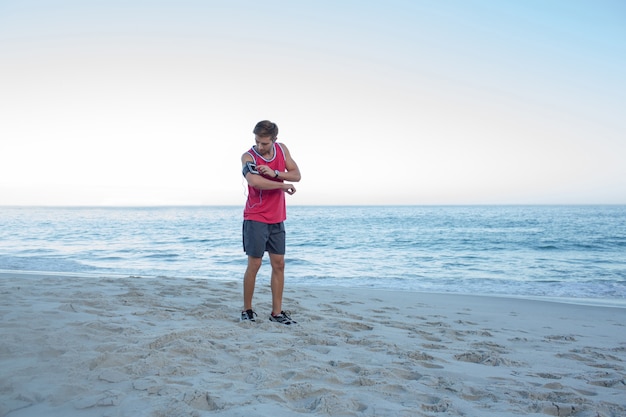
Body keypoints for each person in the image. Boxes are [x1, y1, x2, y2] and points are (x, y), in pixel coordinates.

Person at [240, 120, 301, 324]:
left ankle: (276, 313)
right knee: (255, 264)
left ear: (274, 140)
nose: (260, 146)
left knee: (279, 264)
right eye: (257, 141)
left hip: (277, 217)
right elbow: (254, 181)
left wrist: (276, 173)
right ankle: (247, 310)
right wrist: (282, 186)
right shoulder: (248, 156)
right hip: (255, 217)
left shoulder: (282, 150)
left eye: (264, 143)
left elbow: (297, 175)